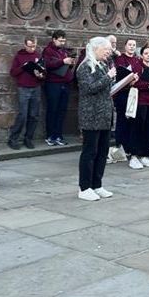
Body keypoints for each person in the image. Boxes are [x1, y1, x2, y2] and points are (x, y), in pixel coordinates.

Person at [76, 36, 117, 201]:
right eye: (105, 49)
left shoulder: (102, 65)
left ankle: (97, 184)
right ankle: (84, 187)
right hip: (91, 115)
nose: (108, 52)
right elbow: (89, 88)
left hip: (105, 115)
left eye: (109, 49)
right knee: (89, 152)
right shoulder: (84, 67)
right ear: (95, 49)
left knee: (102, 152)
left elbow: (105, 88)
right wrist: (108, 77)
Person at [7, 36, 45, 149]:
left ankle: (28, 138)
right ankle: (13, 139)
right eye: (30, 46)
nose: (32, 48)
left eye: (34, 46)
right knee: (22, 115)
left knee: (34, 115)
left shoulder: (38, 56)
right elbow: (13, 72)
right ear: (25, 45)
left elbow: (44, 74)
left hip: (36, 88)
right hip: (23, 88)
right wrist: (23, 67)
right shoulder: (19, 56)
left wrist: (40, 75)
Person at [41, 30, 76, 146]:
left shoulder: (64, 51)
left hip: (65, 83)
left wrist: (70, 62)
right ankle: (50, 136)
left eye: (64, 41)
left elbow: (65, 65)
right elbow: (48, 65)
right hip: (53, 83)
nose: (62, 43)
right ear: (54, 39)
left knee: (62, 111)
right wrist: (62, 61)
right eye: (60, 41)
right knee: (53, 110)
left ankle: (58, 135)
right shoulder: (48, 51)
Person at [129, 45, 149, 169]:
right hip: (140, 101)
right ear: (142, 55)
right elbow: (135, 83)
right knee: (137, 128)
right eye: (146, 53)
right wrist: (148, 85)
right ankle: (134, 156)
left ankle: (145, 155)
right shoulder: (137, 67)